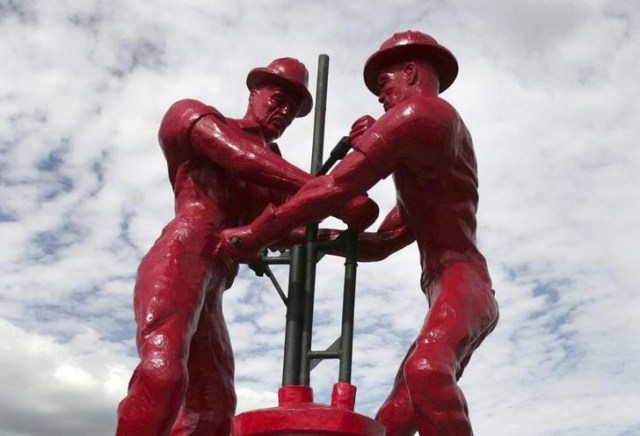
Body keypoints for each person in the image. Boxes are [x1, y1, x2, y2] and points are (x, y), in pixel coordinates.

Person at [220, 32, 500, 436]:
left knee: (426, 370)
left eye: (383, 85)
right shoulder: (423, 179)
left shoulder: (425, 113)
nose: (381, 98)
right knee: (395, 419)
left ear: (410, 72)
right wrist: (301, 238)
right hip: (447, 289)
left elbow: (337, 188)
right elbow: (380, 244)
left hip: (465, 283)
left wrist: (260, 230)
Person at [116, 57, 378, 436]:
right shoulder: (194, 116)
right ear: (254, 92)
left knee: (214, 406)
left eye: (293, 107)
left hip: (214, 283)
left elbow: (285, 226)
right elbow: (241, 158)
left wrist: (356, 177)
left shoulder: (273, 168)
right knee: (163, 373)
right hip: (181, 253)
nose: (284, 111)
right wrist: (337, 193)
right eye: (278, 98)